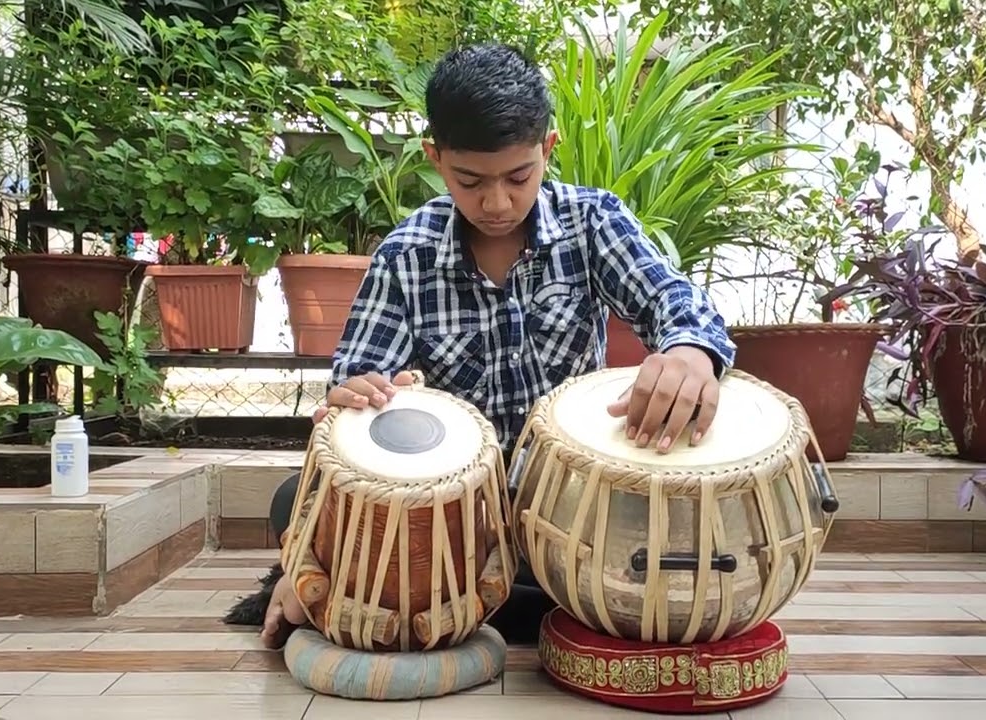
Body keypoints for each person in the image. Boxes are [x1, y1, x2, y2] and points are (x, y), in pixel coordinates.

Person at [256, 43, 735, 649]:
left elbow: (674, 299)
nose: (497, 203)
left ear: (548, 150)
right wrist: (361, 400)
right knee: (286, 502)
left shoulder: (592, 225)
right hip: (454, 519)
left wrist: (690, 352)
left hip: (570, 513)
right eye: (470, 181)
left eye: (519, 177)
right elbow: (355, 390)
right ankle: (552, 612)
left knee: (639, 540)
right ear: (435, 158)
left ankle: (382, 600)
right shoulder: (407, 256)